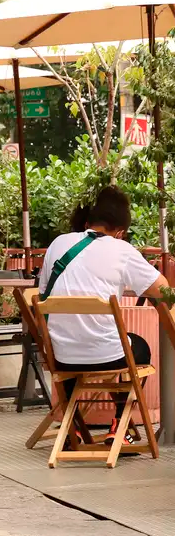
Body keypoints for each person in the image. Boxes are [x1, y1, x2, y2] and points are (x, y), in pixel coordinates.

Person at [39, 186, 168, 446]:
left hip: (60, 357)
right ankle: (119, 427)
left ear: (88, 220)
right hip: (107, 357)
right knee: (139, 347)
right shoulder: (122, 250)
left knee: (70, 338)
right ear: (120, 230)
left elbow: (42, 294)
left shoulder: (59, 243)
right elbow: (164, 290)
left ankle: (73, 426)